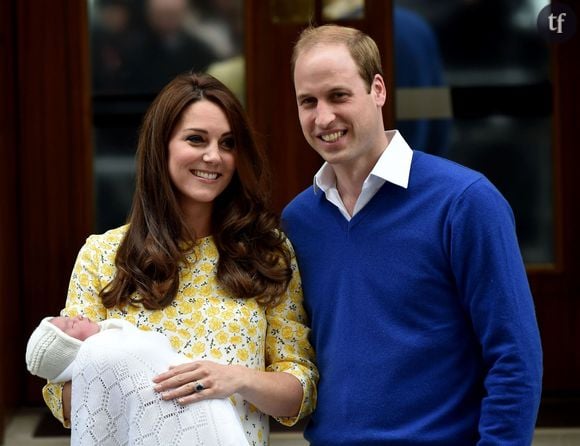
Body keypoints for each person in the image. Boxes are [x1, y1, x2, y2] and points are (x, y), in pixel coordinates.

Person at [282, 24, 542, 445]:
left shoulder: (465, 203)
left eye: (339, 96)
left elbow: (514, 359)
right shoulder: (299, 221)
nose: (323, 117)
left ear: (378, 89)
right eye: (307, 101)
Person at [42, 72, 318, 446]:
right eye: (196, 139)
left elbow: (299, 392)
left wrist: (235, 378)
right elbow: (64, 400)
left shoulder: (267, 253)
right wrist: (144, 382)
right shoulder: (103, 255)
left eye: (228, 143)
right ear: (162, 146)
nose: (213, 156)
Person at [26, 315, 249, 445]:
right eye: (70, 326)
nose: (76, 316)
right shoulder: (101, 350)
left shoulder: (117, 338)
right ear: (72, 349)